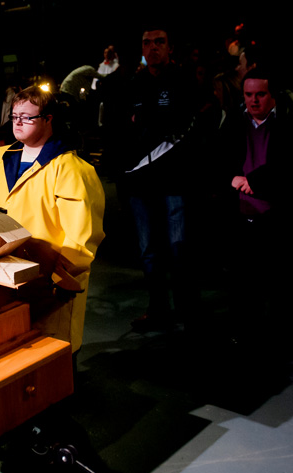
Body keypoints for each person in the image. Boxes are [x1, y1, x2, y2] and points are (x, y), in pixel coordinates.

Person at [0, 86, 105, 354]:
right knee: (13, 341)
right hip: (9, 269)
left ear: (48, 119)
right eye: (15, 117)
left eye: (27, 117)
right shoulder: (5, 156)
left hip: (48, 277)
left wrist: (59, 280)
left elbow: (82, 237)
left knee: (52, 348)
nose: (18, 123)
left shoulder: (70, 169)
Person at [222, 68, 293, 345]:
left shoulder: (290, 129)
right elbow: (216, 161)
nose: (253, 101)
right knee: (242, 282)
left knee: (278, 283)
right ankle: (245, 333)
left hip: (275, 217)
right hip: (240, 217)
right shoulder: (233, 125)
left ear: (272, 96)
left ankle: (278, 337)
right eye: (248, 95)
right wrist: (232, 178)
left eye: (260, 94)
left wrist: (255, 181)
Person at [124, 26, 209, 333]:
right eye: (147, 42)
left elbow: (187, 126)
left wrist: (152, 126)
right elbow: (129, 127)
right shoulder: (135, 82)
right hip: (142, 183)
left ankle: (188, 311)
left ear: (170, 48)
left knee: (179, 249)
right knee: (149, 250)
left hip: (176, 180)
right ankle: (157, 309)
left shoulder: (184, 80)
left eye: (159, 42)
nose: (153, 48)